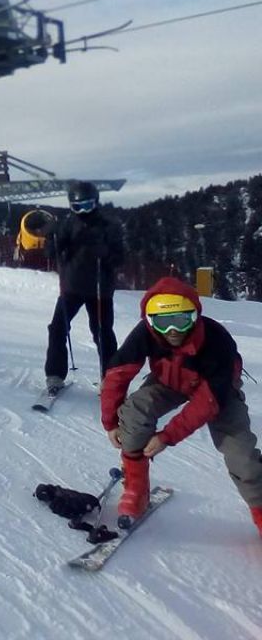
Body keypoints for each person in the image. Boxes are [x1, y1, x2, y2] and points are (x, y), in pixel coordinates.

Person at [101, 277, 262, 537]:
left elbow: (208, 401)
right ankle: (136, 490)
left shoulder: (216, 340)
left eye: (182, 320)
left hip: (217, 391)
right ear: (150, 321)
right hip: (170, 381)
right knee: (135, 413)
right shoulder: (145, 333)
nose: (173, 330)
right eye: (163, 322)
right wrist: (110, 421)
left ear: (195, 316)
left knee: (241, 454)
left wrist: (167, 436)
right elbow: (117, 373)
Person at [43, 181, 124, 392]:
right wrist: (52, 239)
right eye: (77, 207)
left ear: (95, 202)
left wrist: (105, 253)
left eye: (87, 206)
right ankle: (55, 375)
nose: (82, 212)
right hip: (72, 287)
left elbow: (120, 258)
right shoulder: (67, 224)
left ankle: (111, 379)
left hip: (99, 290)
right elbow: (51, 254)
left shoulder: (108, 225)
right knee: (57, 328)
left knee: (103, 333)